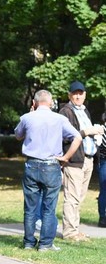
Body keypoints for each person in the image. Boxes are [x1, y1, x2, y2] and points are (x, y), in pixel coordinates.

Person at [14, 89, 81, 251]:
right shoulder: (60, 119)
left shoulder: (27, 118)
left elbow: (18, 135)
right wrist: (66, 157)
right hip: (51, 165)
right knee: (49, 206)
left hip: (32, 164)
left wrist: (29, 114)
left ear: (34, 103)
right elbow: (77, 137)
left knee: (30, 207)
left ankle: (29, 242)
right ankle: (45, 244)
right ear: (51, 103)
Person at [58, 81, 104, 242]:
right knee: (72, 197)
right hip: (74, 160)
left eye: (81, 93)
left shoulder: (85, 111)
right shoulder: (65, 112)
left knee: (80, 197)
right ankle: (69, 232)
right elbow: (65, 135)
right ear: (70, 95)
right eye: (75, 93)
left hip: (88, 159)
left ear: (85, 95)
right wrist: (86, 132)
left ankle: (75, 230)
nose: (78, 96)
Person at [98, 113, 106, 227]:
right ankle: (103, 217)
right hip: (104, 161)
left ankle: (103, 218)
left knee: (104, 190)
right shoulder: (101, 130)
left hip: (103, 162)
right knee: (104, 191)